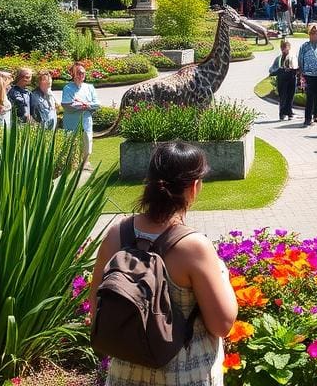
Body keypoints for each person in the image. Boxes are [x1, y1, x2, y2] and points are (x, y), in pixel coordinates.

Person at [90, 142, 238, 386]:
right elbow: (222, 324)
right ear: (194, 187)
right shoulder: (193, 247)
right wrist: (223, 274)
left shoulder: (116, 234)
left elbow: (96, 303)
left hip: (124, 375)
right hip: (184, 375)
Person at [61, 62, 100, 169]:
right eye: (78, 72)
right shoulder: (67, 88)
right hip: (71, 120)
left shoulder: (89, 87)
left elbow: (96, 104)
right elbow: (67, 105)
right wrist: (83, 105)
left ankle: (86, 162)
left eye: (83, 72)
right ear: (73, 74)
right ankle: (72, 163)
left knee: (87, 140)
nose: (81, 75)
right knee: (71, 141)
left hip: (86, 120)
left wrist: (86, 104)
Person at [297, 23, 317, 127]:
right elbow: (300, 59)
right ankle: (307, 118)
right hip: (309, 75)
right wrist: (301, 72)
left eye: (315, 33)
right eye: (311, 33)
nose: (313, 35)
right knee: (310, 97)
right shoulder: (304, 46)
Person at [269, 39, 299, 121]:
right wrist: (279, 70)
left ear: (289, 47)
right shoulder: (278, 58)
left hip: (291, 78)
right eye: (282, 47)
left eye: (285, 46)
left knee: (290, 96)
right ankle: (282, 113)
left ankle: (289, 112)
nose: (284, 49)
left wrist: (294, 69)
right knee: (283, 96)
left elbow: (297, 67)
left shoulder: (293, 57)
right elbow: (271, 69)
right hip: (282, 79)